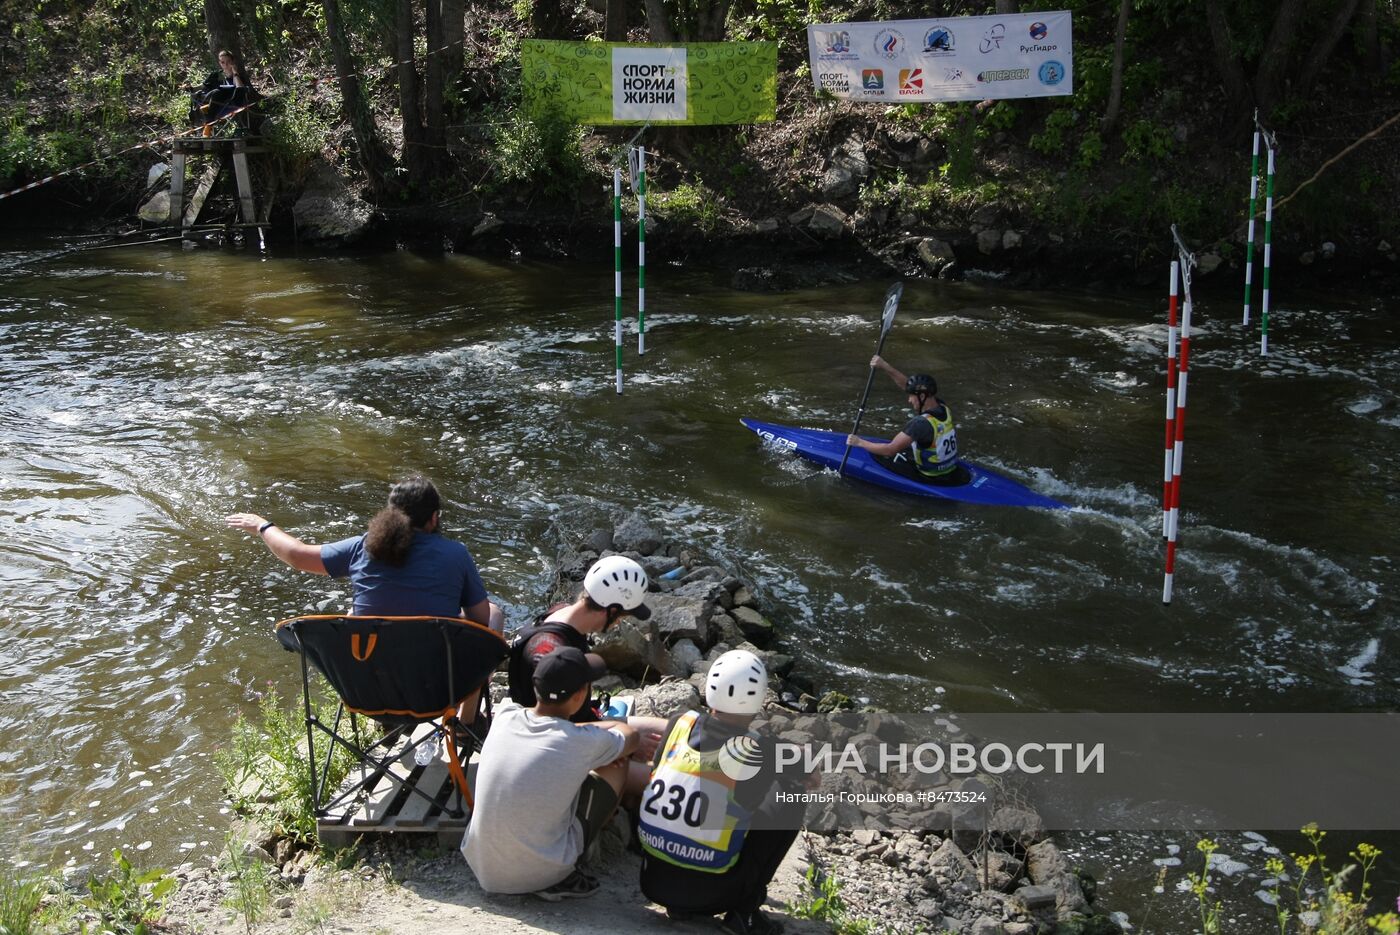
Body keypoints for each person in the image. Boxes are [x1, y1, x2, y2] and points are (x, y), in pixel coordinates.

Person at [638, 650, 806, 935]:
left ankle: (682, 900)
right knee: (791, 794)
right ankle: (745, 912)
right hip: (711, 895)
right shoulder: (760, 750)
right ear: (758, 699)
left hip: (652, 882)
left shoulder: (679, 724)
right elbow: (803, 769)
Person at [462, 647, 639, 900]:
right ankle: (567, 871)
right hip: (544, 873)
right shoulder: (579, 741)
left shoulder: (506, 715)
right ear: (580, 696)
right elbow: (631, 736)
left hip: (482, 867)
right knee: (616, 764)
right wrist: (590, 729)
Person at [225, 475, 504, 633]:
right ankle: (466, 724)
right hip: (440, 687)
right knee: (493, 613)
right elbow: (479, 623)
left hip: (370, 687)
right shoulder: (456, 554)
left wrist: (262, 526)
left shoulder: (363, 547)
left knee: (354, 613)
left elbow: (296, 555)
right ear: (433, 518)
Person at [506, 554, 668, 783]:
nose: (619, 622)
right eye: (621, 615)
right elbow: (552, 725)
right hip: (550, 744)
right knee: (662, 780)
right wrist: (627, 745)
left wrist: (624, 740)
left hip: (579, 724)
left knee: (672, 729)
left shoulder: (561, 614)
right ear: (610, 610)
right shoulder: (549, 649)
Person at [846, 354, 969, 486]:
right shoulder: (942, 407)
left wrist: (859, 442)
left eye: (911, 396)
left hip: (929, 477)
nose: (909, 400)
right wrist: (884, 365)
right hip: (948, 470)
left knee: (881, 456)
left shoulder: (920, 424)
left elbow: (890, 450)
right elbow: (909, 385)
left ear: (922, 396)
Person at [192, 49, 256, 128]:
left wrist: (235, 73)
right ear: (220, 63)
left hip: (229, 103)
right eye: (222, 62)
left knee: (217, 92)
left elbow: (240, 89)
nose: (225, 65)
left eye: (228, 62)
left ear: (232, 62)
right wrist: (191, 88)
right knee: (198, 95)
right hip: (211, 102)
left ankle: (209, 121)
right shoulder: (216, 75)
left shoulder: (238, 77)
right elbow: (203, 86)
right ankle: (199, 119)